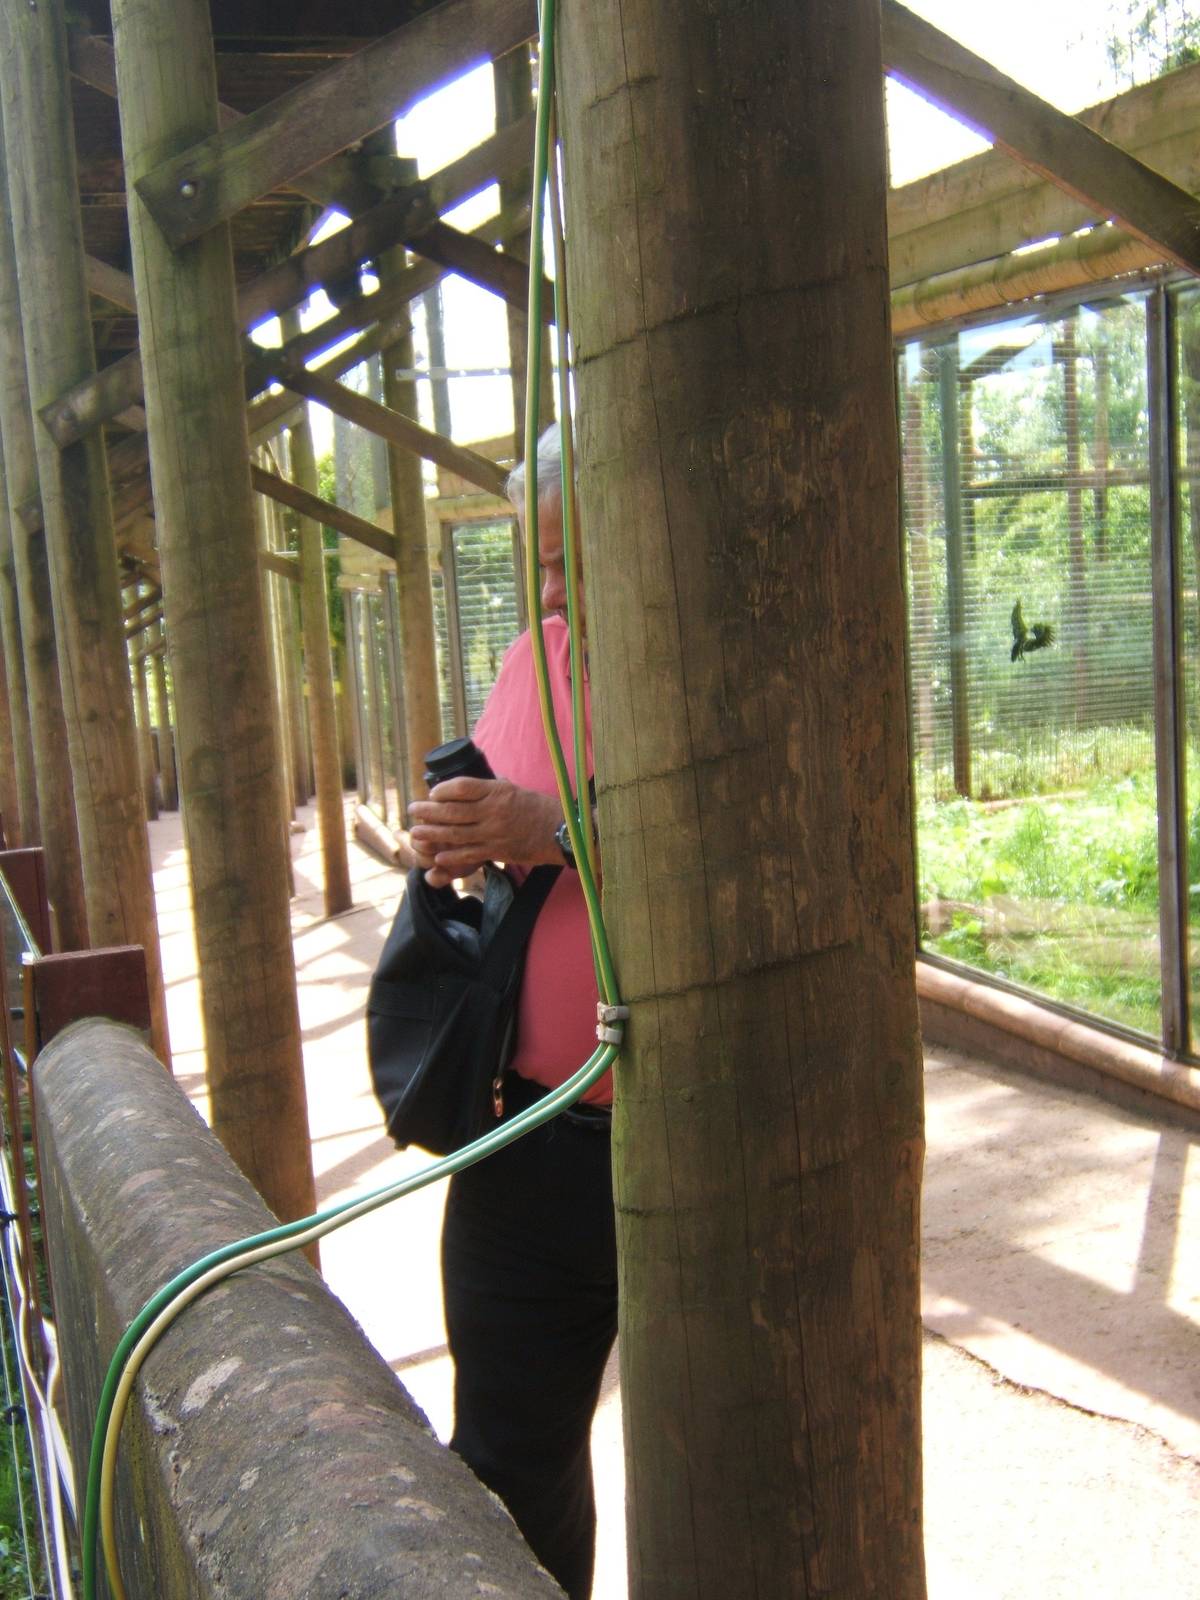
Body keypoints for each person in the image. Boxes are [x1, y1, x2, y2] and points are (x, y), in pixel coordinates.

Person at [407, 423, 616, 1600]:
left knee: (723, 1461)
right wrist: (457, 833)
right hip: (526, 1129)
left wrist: (558, 827)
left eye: (570, 562)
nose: (550, 593)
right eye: (539, 564)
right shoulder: (533, 657)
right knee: (504, 1467)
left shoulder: (713, 649)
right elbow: (502, 829)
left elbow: (737, 839)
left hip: (687, 1138)